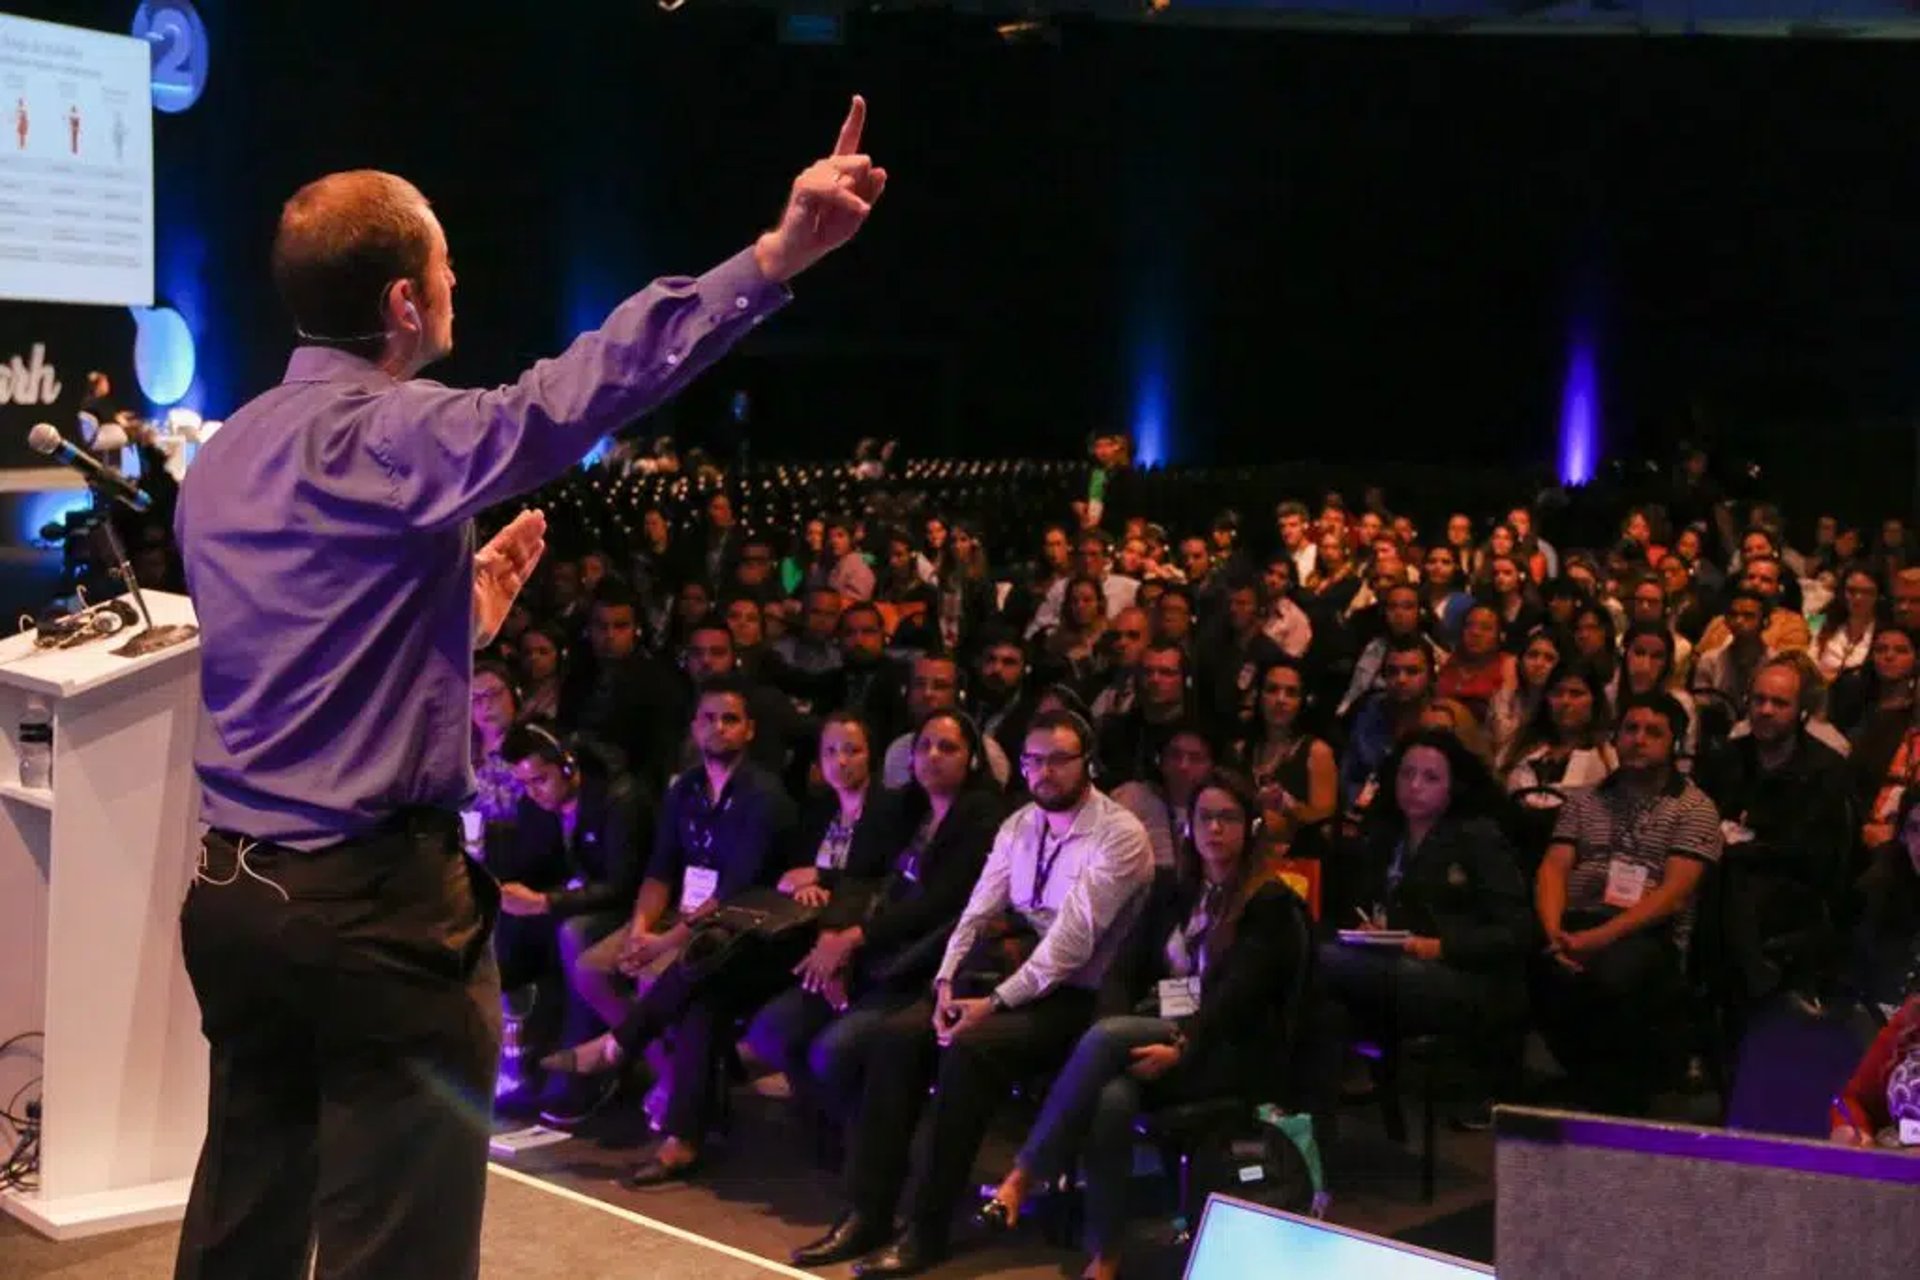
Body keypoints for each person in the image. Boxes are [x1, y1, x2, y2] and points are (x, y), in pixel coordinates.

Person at [171, 103, 882, 1280]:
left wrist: (462, 620)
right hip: (374, 917)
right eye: (444, 263)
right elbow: (575, 394)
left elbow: (297, 651)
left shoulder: (225, 452)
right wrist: (773, 260)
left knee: (243, 1212)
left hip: (238, 905)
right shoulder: (394, 433)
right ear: (404, 302)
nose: (457, 280)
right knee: (395, 1239)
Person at [792, 711, 1154, 1275]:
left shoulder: (1119, 834)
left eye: (1060, 759)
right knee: (897, 1036)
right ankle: (868, 1210)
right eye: (1034, 759)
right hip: (1012, 986)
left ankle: (928, 1229)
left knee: (970, 1045)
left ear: (1089, 763)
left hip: (1086, 999)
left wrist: (992, 1003)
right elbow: (977, 910)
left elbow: (1070, 948)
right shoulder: (1020, 825)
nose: (1045, 771)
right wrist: (944, 983)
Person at [979, 771, 1314, 1280]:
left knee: (1109, 1038)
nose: (1215, 829)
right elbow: (1124, 969)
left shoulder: (1268, 903)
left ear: (1251, 827)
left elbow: (1235, 1005)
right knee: (1111, 1096)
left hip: (1225, 1052)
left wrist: (1180, 1049)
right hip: (1157, 1033)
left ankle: (1024, 1177)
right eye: (1205, 817)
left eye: (1228, 818)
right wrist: (1127, 1025)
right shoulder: (1174, 889)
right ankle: (1106, 1256)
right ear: (1189, 826)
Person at [1320, 730, 1531, 1121]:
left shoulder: (1477, 837)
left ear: (1453, 787)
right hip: (1393, 968)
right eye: (1406, 774)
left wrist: (1441, 945)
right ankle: (1308, 1122)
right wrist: (1373, 930)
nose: (1414, 786)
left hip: (1462, 976)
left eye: (1430, 778)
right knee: (1325, 1001)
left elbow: (1516, 932)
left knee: (1317, 961)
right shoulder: (1383, 835)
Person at [1533, 693, 1723, 1111]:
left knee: (1616, 971)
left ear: (1674, 744)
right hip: (1575, 922)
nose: (1638, 739)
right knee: (1522, 955)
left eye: (1653, 732)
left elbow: (1673, 896)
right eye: (1630, 729)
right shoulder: (1584, 800)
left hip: (1645, 931)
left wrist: (1595, 939)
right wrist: (1553, 933)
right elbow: (1554, 867)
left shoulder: (1694, 808)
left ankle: (1614, 1095)